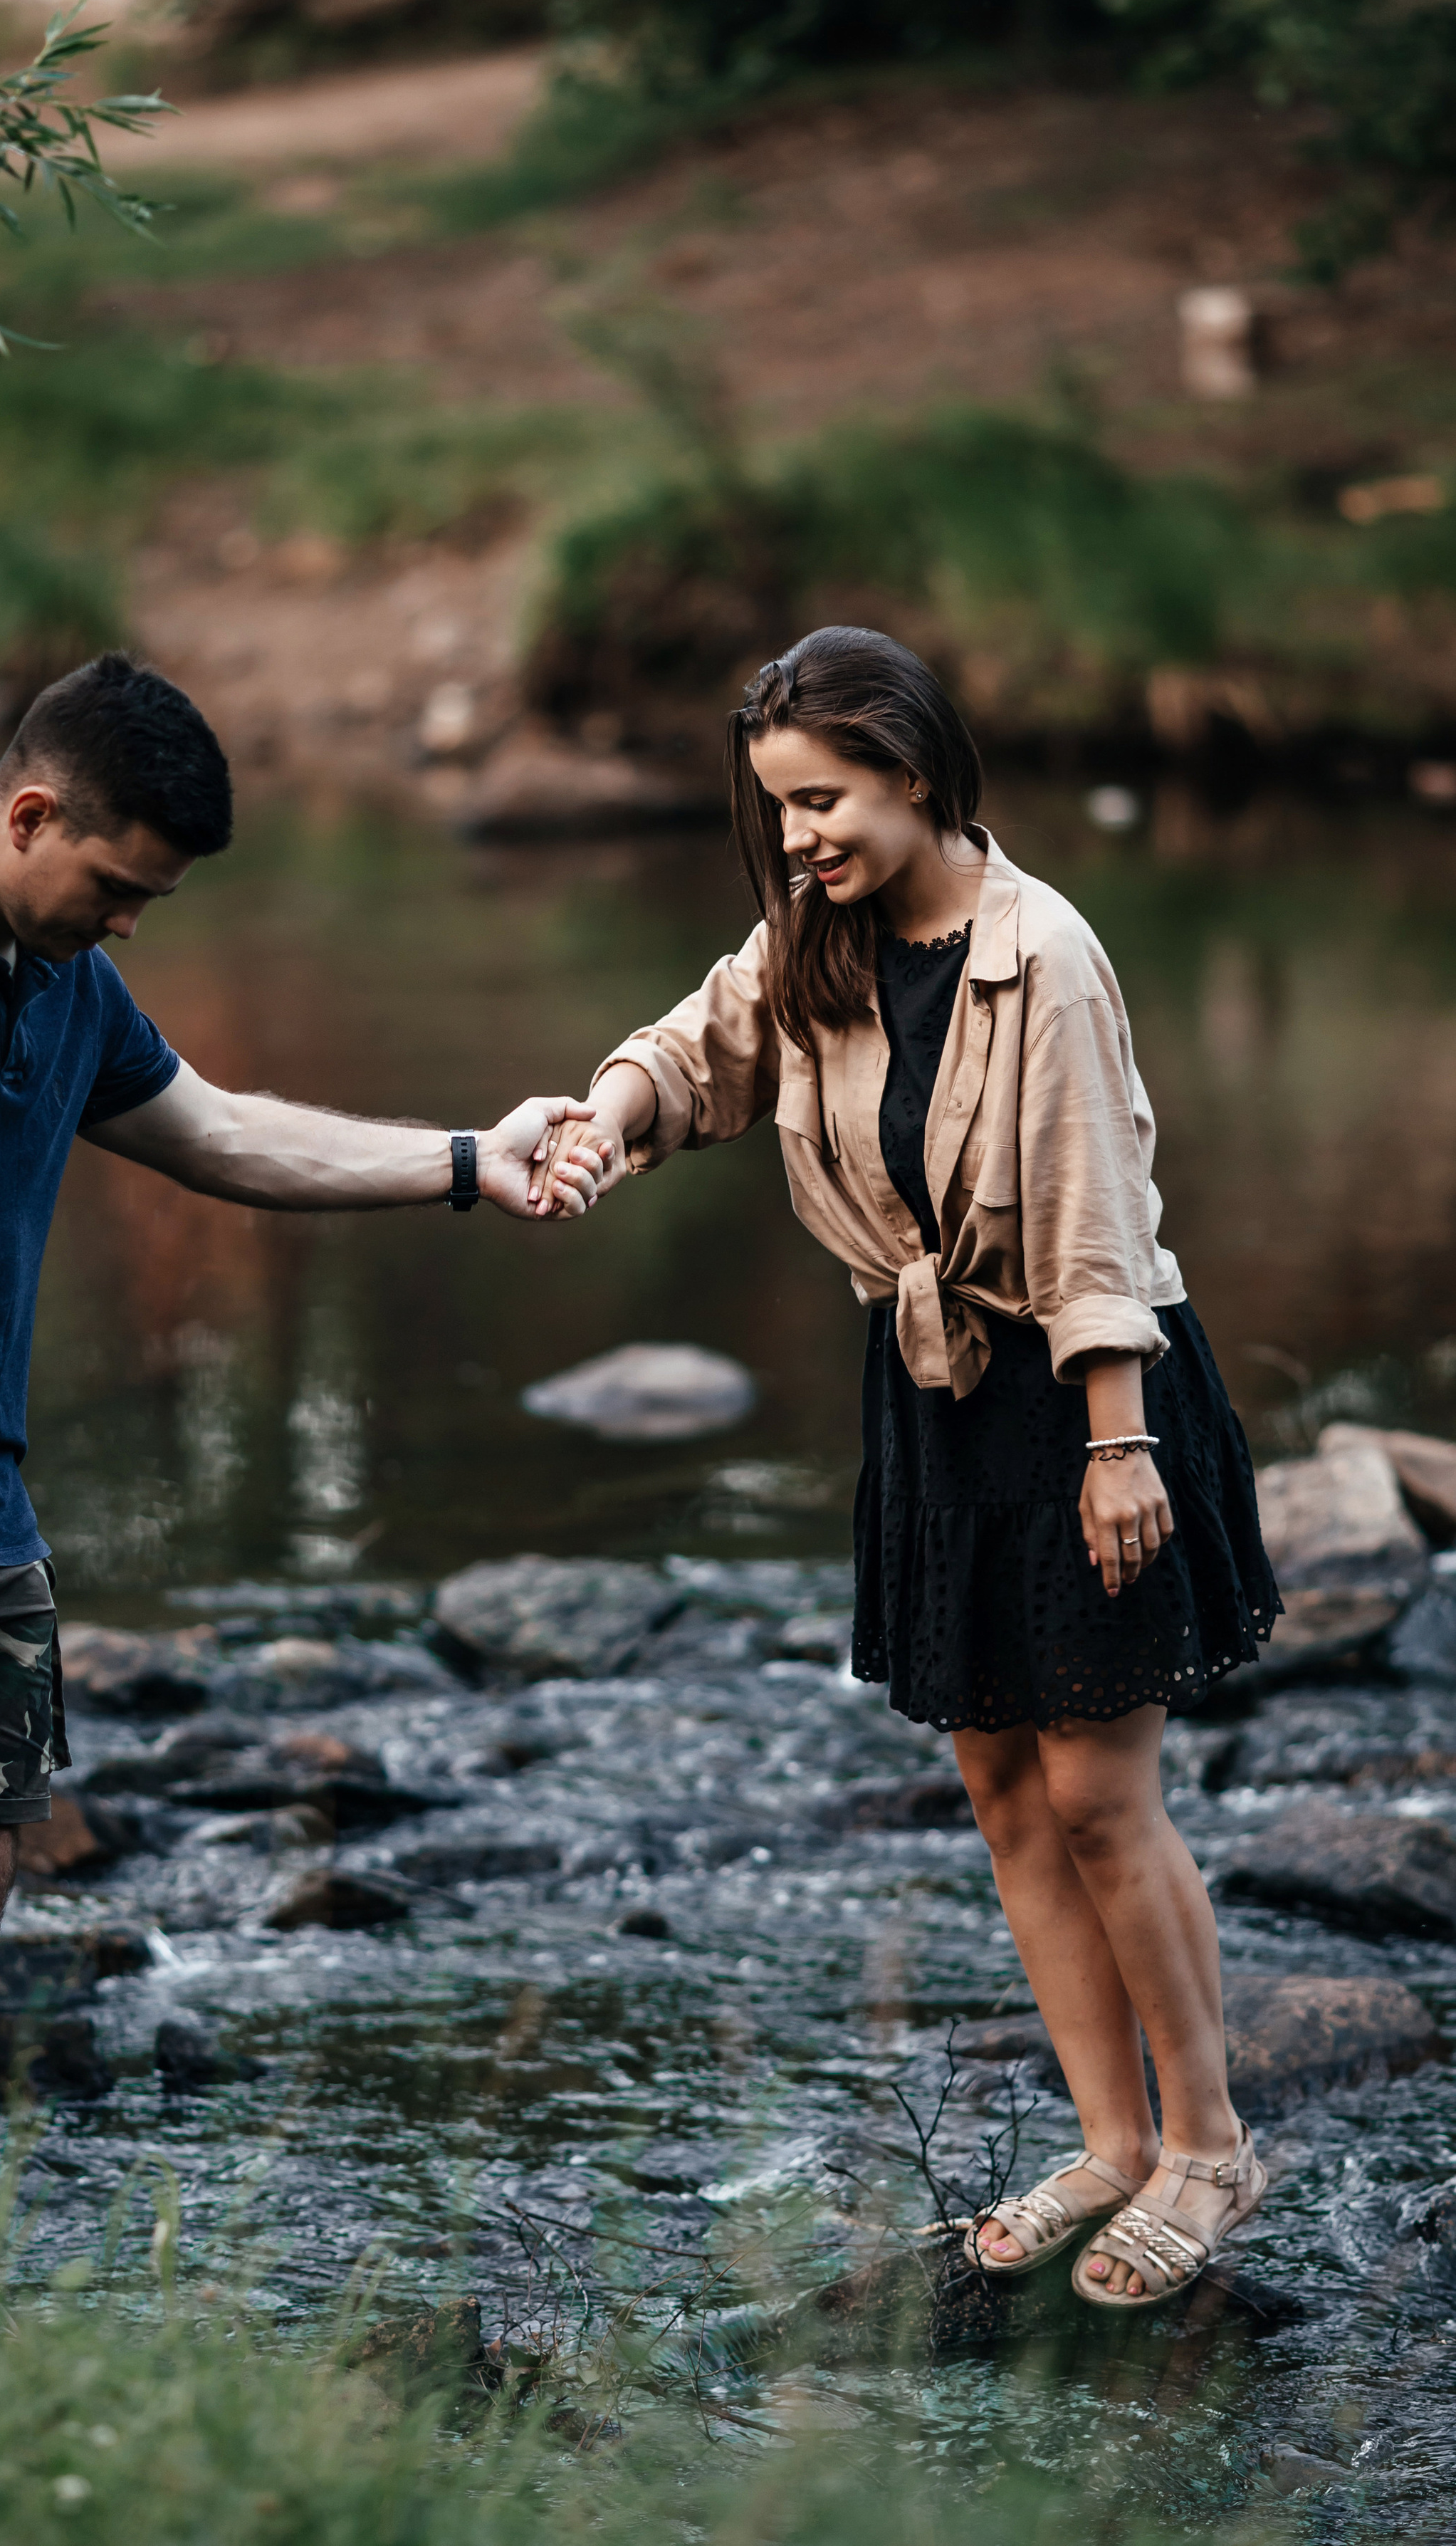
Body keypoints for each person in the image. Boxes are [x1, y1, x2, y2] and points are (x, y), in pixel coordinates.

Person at [0, 649, 605, 2290]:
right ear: (30, 813)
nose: (129, 922)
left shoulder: (60, 983)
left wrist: (467, 1162)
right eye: (114, 884)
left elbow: (226, 1135)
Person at [538, 625, 1279, 2312]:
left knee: (1100, 1789)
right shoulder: (817, 939)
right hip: (927, 1393)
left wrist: (1114, 1443)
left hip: (1082, 1387)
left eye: (822, 800)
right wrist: (601, 1122)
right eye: (779, 809)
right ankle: (1104, 2142)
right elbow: (690, 1053)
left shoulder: (1047, 953)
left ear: (915, 770)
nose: (796, 837)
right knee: (1004, 1791)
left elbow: (1097, 1219)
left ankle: (1208, 2149)